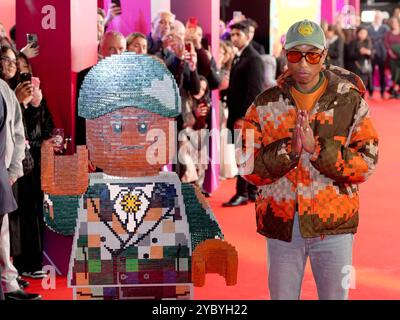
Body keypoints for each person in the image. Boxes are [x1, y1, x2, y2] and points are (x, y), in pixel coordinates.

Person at [239, 19, 378, 300]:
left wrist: (318, 150)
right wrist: (288, 150)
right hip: (283, 225)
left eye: (312, 55)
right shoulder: (265, 104)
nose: (303, 63)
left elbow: (367, 162)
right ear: (284, 55)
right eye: (294, 55)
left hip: (334, 226)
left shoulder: (349, 102)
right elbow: (247, 166)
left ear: (324, 56)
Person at [0, 70, 40, 300]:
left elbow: (16, 131)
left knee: (4, 231)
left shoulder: (3, 89)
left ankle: (9, 283)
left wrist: (14, 170)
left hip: (4, 172)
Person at [222, 22, 264, 207]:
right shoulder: (241, 56)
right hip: (237, 113)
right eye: (232, 35)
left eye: (238, 34)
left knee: (243, 155)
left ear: (248, 36)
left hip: (245, 116)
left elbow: (254, 91)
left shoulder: (254, 58)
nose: (234, 38)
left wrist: (244, 118)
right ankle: (253, 191)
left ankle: (242, 193)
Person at [367, 11, 389, 99]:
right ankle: (371, 92)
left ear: (382, 18)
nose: (377, 18)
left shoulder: (385, 28)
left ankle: (383, 92)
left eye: (379, 17)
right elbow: (369, 38)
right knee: (370, 74)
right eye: (376, 17)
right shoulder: (368, 28)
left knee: (382, 74)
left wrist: (374, 38)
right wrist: (379, 38)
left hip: (382, 54)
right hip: (371, 54)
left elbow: (385, 38)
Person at [347, 27, 374, 98]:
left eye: (365, 33)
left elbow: (372, 56)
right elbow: (349, 55)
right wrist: (360, 52)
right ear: (357, 33)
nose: (363, 35)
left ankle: (362, 103)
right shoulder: (353, 42)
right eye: (361, 33)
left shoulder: (368, 42)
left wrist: (369, 53)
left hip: (365, 69)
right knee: (356, 88)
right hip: (355, 68)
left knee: (363, 88)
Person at [384, 17, 400, 99]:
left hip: (399, 58)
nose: (394, 24)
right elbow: (386, 44)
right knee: (393, 74)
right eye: (392, 22)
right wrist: (391, 53)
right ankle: (394, 90)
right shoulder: (388, 33)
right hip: (391, 58)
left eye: (395, 22)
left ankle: (396, 90)